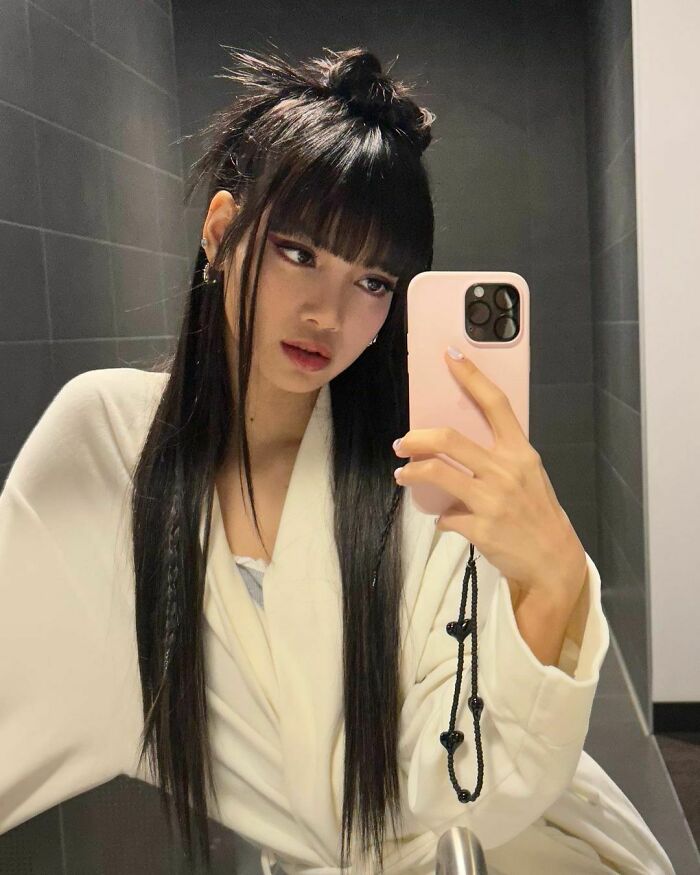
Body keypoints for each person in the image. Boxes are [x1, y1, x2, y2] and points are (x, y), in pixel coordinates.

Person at [0, 45, 675, 875]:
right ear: (221, 232)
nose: (328, 312)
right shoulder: (108, 440)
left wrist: (553, 588)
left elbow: (468, 788)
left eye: (373, 282)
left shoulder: (414, 469)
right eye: (299, 252)